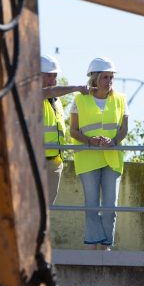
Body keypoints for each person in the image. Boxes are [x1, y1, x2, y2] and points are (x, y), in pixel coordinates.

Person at [69, 57, 128, 250]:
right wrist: (89, 141)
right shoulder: (79, 99)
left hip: (112, 158)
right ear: (94, 78)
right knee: (92, 206)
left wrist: (114, 142)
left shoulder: (120, 99)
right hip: (87, 160)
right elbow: (73, 130)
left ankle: (106, 247)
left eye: (111, 77)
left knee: (110, 207)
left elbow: (123, 129)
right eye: (105, 77)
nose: (109, 81)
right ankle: (92, 247)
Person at [40, 54, 90, 204]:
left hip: (54, 161)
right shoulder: (31, 94)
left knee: (48, 208)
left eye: (54, 76)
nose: (52, 80)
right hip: (35, 161)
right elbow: (49, 91)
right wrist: (76, 88)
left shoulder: (57, 102)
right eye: (48, 76)